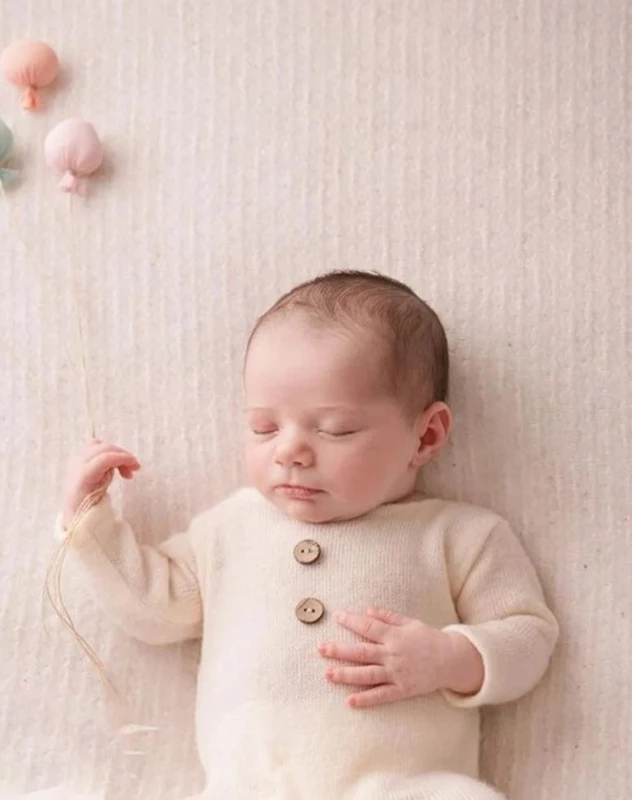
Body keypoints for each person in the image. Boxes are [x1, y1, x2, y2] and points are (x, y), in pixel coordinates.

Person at [57, 271, 559, 799]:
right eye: (264, 427)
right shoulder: (231, 529)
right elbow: (154, 610)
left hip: (404, 785)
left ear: (426, 434)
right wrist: (90, 524)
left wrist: (451, 658)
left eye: (335, 429)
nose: (289, 450)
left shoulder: (458, 535)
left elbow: (528, 633)